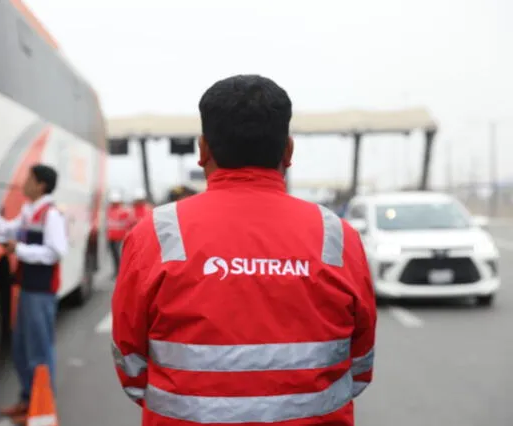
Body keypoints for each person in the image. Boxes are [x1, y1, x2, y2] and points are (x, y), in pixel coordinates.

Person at [111, 75, 376, 426]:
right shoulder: (337, 236)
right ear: (288, 151)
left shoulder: (154, 234)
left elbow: (131, 363)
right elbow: (359, 364)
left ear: (203, 150)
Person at [0, 164, 67, 424]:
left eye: (29, 178)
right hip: (28, 289)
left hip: (41, 293)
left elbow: (57, 252)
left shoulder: (50, 215)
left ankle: (42, 407)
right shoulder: (31, 211)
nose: (23, 183)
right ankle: (28, 400)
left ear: (41, 185)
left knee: (39, 350)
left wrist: (20, 250)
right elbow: (9, 230)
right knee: (21, 349)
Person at [106, 191, 131, 277]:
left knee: (118, 255)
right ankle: (116, 271)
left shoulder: (124, 211)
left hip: (119, 238)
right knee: (114, 255)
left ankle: (121, 272)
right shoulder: (109, 210)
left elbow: (128, 224)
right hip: (111, 237)